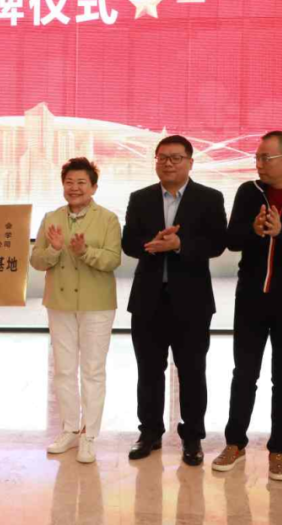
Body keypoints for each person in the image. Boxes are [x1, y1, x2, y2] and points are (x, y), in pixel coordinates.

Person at [212, 131, 282, 481]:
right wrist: (254, 230)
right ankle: (235, 443)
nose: (259, 164)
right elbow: (231, 241)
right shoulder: (249, 192)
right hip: (250, 298)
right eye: (257, 157)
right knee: (244, 373)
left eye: (266, 158)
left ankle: (279, 450)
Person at [121, 136, 227, 465]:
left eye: (176, 158)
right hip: (148, 299)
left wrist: (180, 245)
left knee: (192, 371)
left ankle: (192, 436)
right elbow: (129, 243)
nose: (169, 163)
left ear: (190, 162)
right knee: (149, 370)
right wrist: (152, 243)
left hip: (192, 301)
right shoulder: (140, 198)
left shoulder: (209, 198)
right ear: (155, 161)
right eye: (162, 157)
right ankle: (149, 432)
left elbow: (217, 243)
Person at [31, 157, 122, 464]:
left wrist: (84, 252)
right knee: (64, 369)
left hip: (97, 304)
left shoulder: (108, 219)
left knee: (93, 370)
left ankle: (89, 435)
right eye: (69, 182)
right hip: (60, 304)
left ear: (93, 187)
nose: (74, 188)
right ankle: (69, 429)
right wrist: (55, 249)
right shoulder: (51, 218)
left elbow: (112, 260)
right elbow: (36, 260)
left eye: (82, 182)